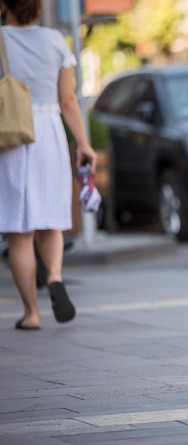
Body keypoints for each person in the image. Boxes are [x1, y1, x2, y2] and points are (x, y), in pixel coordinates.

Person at [0, 0, 98, 330]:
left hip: (12, 135)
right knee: (51, 221)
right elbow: (68, 100)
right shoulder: (55, 40)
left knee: (19, 231)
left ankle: (31, 313)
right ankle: (54, 275)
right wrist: (83, 143)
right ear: (39, 8)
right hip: (50, 132)